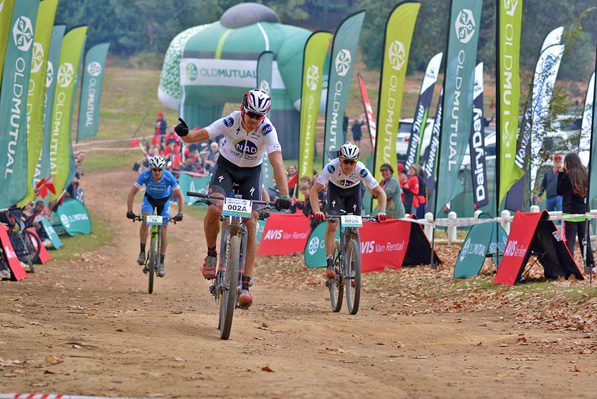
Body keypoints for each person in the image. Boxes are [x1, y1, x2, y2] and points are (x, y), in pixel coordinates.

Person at [174, 89, 291, 307]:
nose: (255, 120)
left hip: (251, 175)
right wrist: (184, 134)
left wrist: (284, 194)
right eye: (251, 115)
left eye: (260, 116)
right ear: (242, 110)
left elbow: (277, 163)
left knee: (252, 222)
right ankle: (211, 254)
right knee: (215, 209)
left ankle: (245, 284)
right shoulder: (231, 121)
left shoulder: (267, 129)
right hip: (226, 170)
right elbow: (199, 136)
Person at [309, 143, 387, 279]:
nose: (348, 166)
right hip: (335, 192)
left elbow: (381, 193)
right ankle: (330, 264)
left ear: (356, 162)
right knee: (332, 225)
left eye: (352, 162)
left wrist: (382, 211)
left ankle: (351, 263)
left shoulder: (361, 170)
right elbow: (314, 191)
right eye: (346, 162)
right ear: (340, 159)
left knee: (354, 229)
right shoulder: (332, 167)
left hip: (353, 194)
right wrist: (317, 211)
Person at [126, 155, 184, 277]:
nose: (157, 172)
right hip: (150, 200)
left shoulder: (168, 176)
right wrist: (129, 210)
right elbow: (132, 193)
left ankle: (162, 262)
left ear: (163, 169)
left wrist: (180, 213)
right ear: (151, 169)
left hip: (164, 201)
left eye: (159, 170)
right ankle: (142, 252)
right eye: (154, 170)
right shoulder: (145, 175)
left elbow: (180, 196)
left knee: (164, 229)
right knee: (146, 219)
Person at [556, 153, 595, 274]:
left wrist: (561, 173)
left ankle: (570, 269)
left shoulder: (568, 176)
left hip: (570, 214)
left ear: (567, 163)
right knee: (585, 241)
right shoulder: (586, 173)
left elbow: (559, 191)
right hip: (583, 213)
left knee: (569, 243)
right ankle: (590, 266)